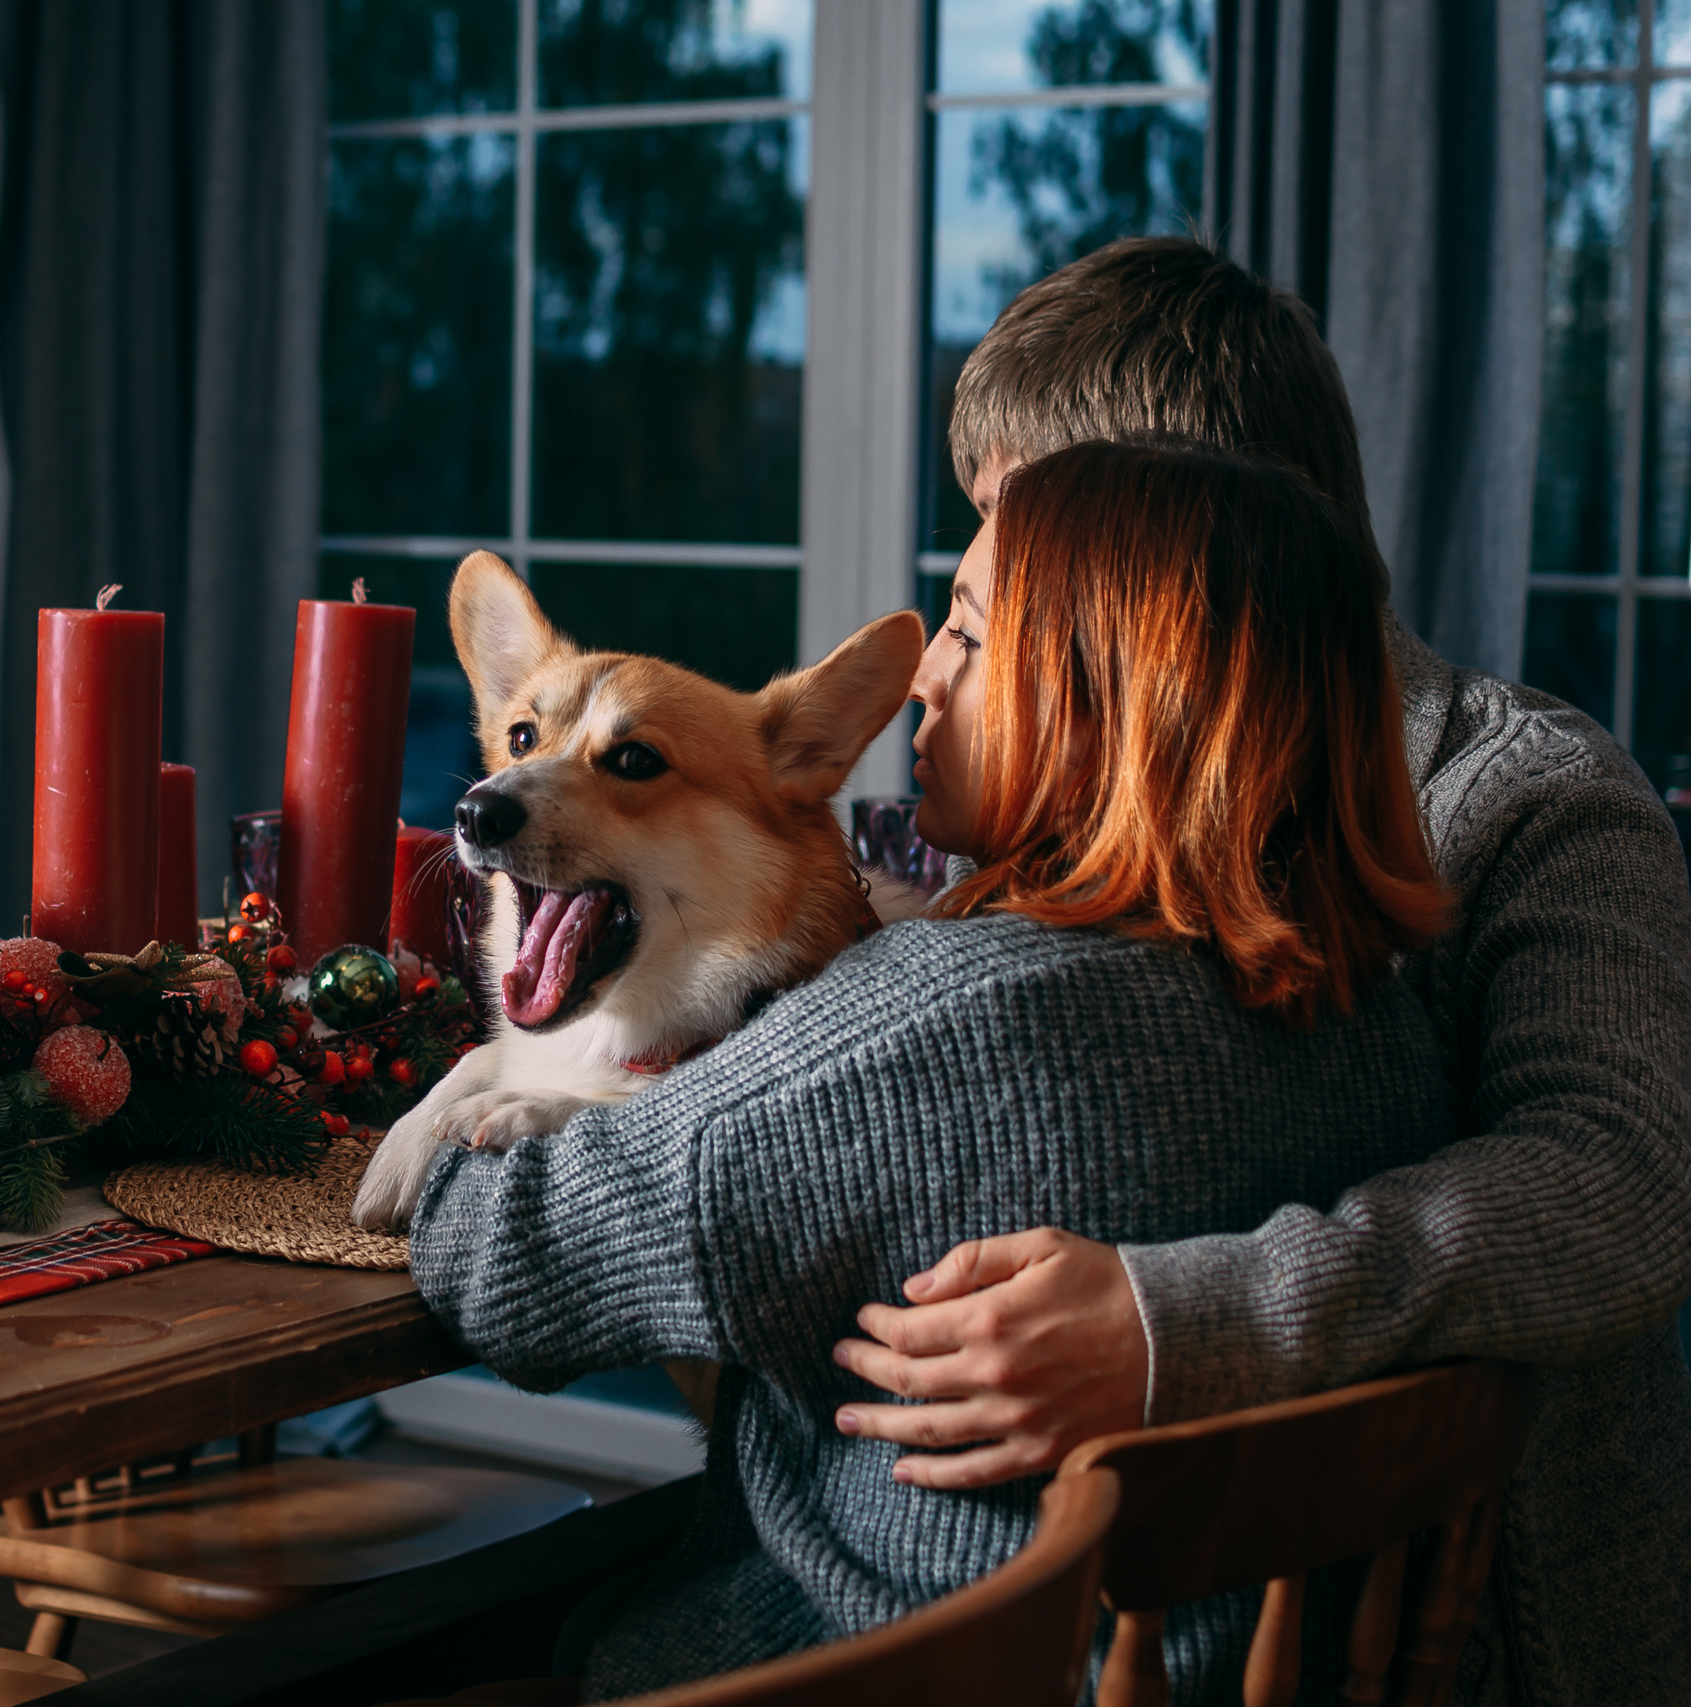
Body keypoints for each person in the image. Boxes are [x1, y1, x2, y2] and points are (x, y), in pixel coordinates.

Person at [413, 440, 1469, 1701]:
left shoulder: (928, 1032)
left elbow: (499, 1267)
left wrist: (488, 1094)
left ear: (1103, 693)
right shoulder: (1394, 1039)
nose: (922, 687)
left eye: (965, 637)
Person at [832, 239, 1691, 1696]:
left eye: (1028, 544)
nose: (979, 615)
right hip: (1114, 1603)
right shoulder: (1067, 800)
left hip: (1464, 1636)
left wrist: (1190, 1320)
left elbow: (1620, 1182)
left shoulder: (1529, 796)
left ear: (1183, 534)